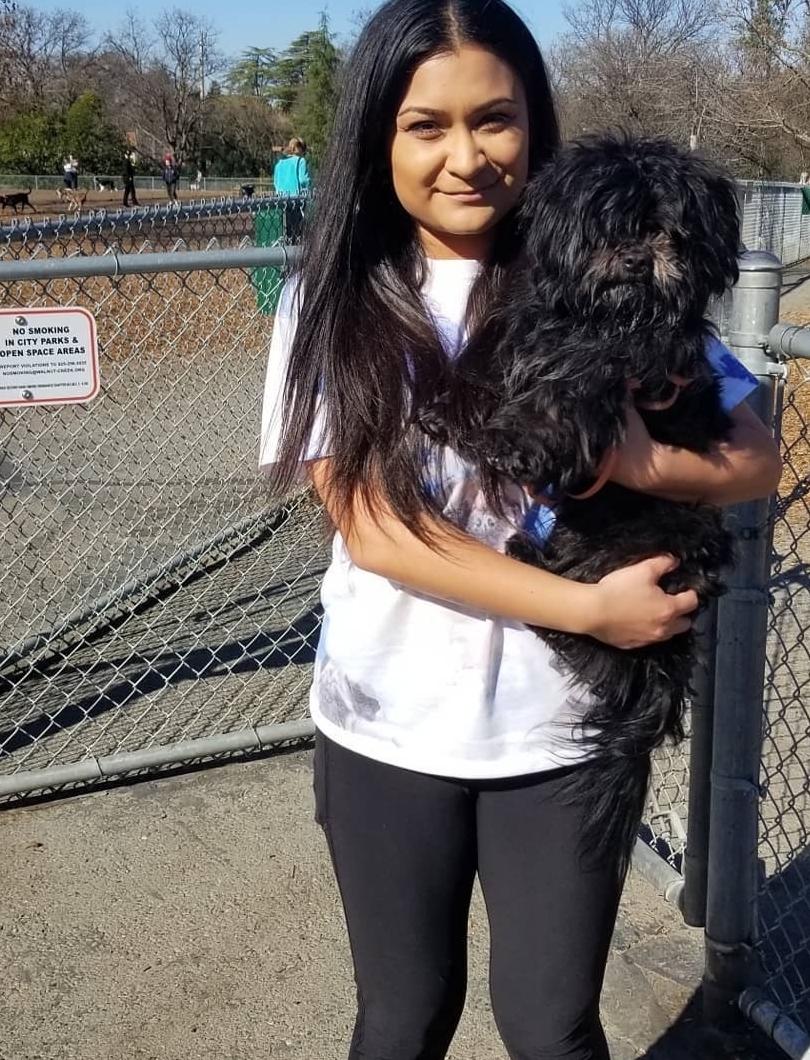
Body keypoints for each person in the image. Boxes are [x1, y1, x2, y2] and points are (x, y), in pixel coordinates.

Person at [259, 2, 783, 1059]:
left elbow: (753, 455)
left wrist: (629, 459)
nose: (464, 156)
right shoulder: (333, 298)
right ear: (377, 136)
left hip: (562, 727)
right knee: (401, 1017)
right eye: (425, 125)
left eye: (492, 119)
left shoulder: (596, 269)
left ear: (534, 126)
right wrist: (588, 605)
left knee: (550, 1025)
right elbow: (374, 529)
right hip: (386, 723)